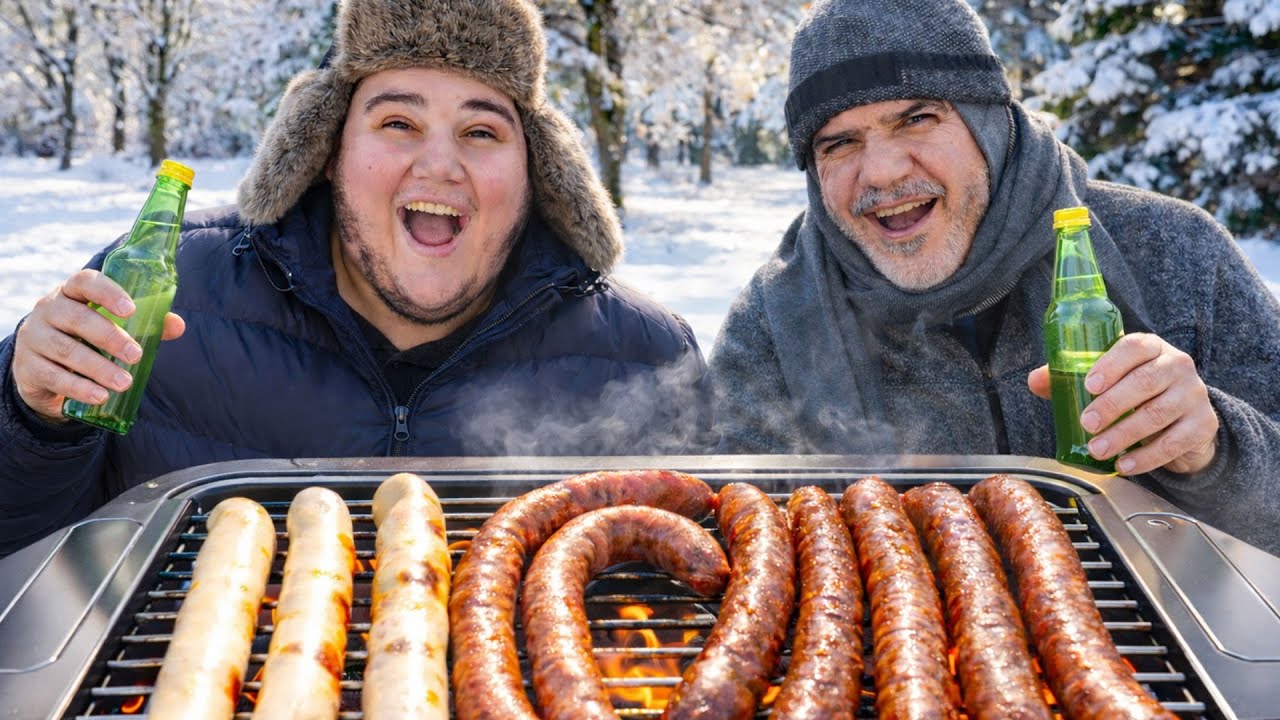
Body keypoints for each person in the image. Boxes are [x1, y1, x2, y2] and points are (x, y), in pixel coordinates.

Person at [0, 0, 711, 556]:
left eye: (482, 131)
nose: (439, 166)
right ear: (329, 152)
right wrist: (28, 417)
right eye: (398, 122)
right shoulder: (164, 292)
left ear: (538, 175)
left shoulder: (648, 359)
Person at [711, 0, 1280, 553]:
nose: (881, 171)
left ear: (990, 123)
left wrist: (1215, 450)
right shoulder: (773, 322)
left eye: (916, 118)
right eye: (839, 143)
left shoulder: (1174, 251)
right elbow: (729, 544)